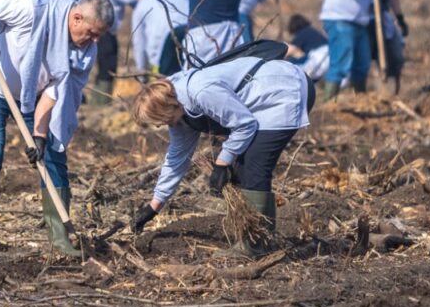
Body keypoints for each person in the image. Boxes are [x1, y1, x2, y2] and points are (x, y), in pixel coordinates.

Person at [0, 0, 112, 256]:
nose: (93, 42)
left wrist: (40, 135)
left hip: (33, 95)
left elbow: (55, 92)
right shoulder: (31, 8)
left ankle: (59, 239)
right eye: (91, 33)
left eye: (99, 36)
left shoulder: (82, 51)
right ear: (77, 18)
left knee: (53, 154)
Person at [129, 47, 311, 255]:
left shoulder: (201, 92)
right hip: (265, 102)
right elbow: (176, 158)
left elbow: (244, 124)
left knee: (253, 165)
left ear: (168, 107)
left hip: (284, 90)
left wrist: (222, 164)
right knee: (242, 166)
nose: (162, 126)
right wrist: (154, 206)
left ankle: (257, 246)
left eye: (161, 121)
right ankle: (254, 238)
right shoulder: (178, 113)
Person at [87, 0, 142, 102]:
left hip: (108, 29)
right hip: (98, 29)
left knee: (109, 64)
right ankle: (98, 103)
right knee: (107, 65)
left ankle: (101, 100)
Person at [130, 0, 189, 74]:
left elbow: (139, 42)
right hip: (192, 28)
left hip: (168, 36)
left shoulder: (141, 5)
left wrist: (141, 71)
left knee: (167, 81)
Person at [285, 13, 330, 83]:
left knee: (296, 68)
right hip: (329, 56)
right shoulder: (312, 31)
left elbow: (291, 49)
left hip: (319, 56)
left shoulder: (302, 33)